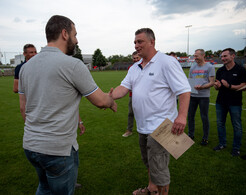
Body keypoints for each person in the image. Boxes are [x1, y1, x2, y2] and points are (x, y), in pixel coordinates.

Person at [18, 15, 117, 195]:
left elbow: (23, 108)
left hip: (31, 145)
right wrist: (111, 101)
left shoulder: (26, 67)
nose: (76, 40)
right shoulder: (72, 65)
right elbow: (101, 101)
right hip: (57, 149)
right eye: (75, 34)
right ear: (65, 34)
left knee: (44, 188)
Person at [111, 28, 191, 195]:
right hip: (143, 126)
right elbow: (123, 88)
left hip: (162, 126)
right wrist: (108, 97)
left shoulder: (167, 62)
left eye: (140, 41)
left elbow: (183, 90)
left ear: (152, 42)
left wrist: (182, 116)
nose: (136, 45)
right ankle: (151, 190)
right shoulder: (135, 67)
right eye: (135, 42)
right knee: (150, 163)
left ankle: (159, 191)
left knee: (159, 168)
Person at [213, 48, 246, 156]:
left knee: (236, 125)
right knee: (220, 124)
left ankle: (236, 148)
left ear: (233, 56)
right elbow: (217, 87)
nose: (223, 58)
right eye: (222, 56)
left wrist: (230, 86)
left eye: (225, 56)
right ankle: (222, 143)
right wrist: (217, 86)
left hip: (235, 103)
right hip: (220, 102)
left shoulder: (240, 69)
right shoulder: (220, 71)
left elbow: (244, 86)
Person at [188, 49, 215, 145]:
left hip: (204, 96)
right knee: (190, 116)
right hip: (193, 95)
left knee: (204, 117)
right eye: (194, 56)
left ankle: (205, 138)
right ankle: (190, 135)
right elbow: (190, 81)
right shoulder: (192, 67)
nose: (195, 58)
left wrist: (202, 87)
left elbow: (212, 82)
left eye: (197, 56)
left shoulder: (210, 67)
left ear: (203, 55)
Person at [122, 51, 141, 137]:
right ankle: (129, 130)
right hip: (132, 95)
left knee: (145, 113)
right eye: (134, 58)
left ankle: (145, 130)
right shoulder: (131, 68)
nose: (136, 60)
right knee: (131, 113)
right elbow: (128, 82)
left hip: (143, 96)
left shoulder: (146, 66)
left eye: (137, 58)